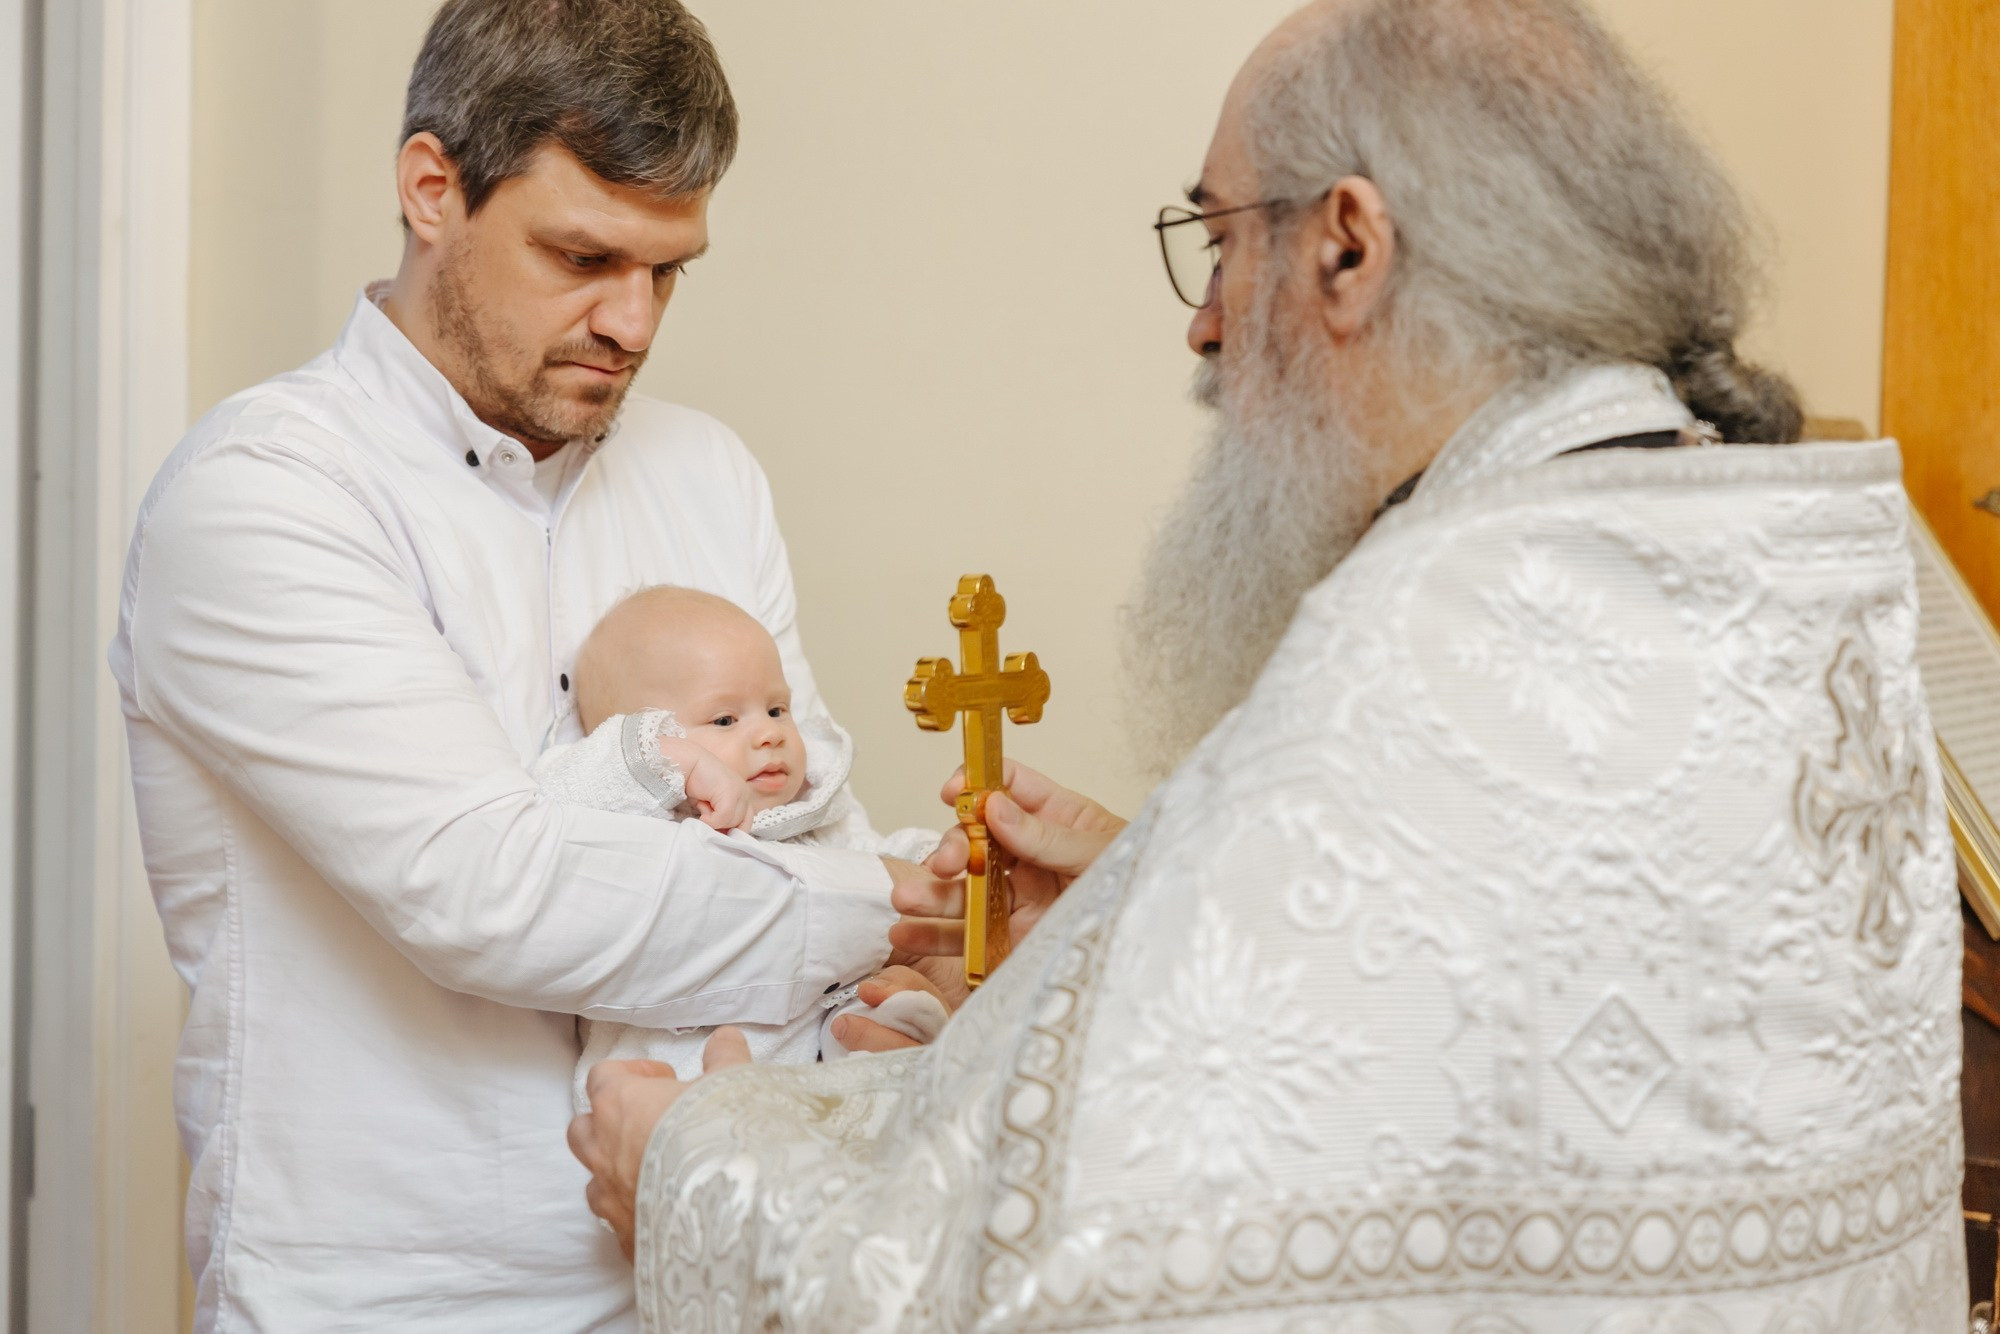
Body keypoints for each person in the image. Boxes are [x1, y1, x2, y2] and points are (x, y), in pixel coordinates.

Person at [571, 0, 1966, 1329]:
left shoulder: (1415, 648)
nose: (1203, 318)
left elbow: (1079, 1281)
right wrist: (1153, 889)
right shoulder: (1789, 563)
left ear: (1348, 245)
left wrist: (698, 1160)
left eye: (1220, 237)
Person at [109, 1, 947, 1328]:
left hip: (690, 1260)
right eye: (584, 255)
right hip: (381, 1298)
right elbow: (492, 890)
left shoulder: (708, 475)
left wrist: (912, 946)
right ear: (431, 186)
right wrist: (889, 902)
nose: (634, 321)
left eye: (671, 270)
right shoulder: (263, 494)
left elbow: (789, 804)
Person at [533, 586, 949, 1097]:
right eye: (726, 719)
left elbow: (869, 856)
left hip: (815, 1062)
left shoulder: (808, 811)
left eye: (777, 709)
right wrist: (668, 765)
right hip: (679, 1074)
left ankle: (883, 1043)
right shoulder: (641, 818)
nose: (769, 733)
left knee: (880, 1005)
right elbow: (557, 800)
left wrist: (935, 860)